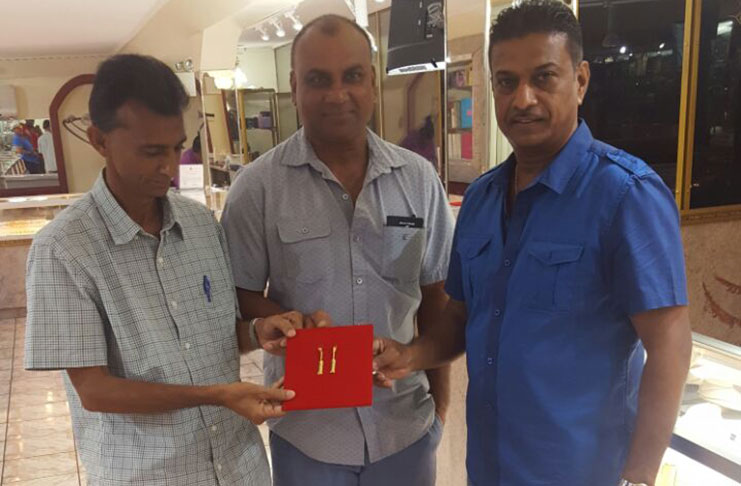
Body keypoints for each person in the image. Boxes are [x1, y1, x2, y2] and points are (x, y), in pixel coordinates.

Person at [373, 2, 692, 485]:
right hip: (491, 468)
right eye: (506, 81)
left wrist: (639, 477)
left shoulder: (625, 196)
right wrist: (412, 355)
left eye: (544, 77)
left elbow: (669, 346)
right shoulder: (480, 199)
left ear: (580, 80)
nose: (523, 98)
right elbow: (461, 317)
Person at [24, 54, 302, 486]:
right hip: (150, 475)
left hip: (239, 467)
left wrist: (256, 331)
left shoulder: (200, 225)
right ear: (99, 140)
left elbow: (209, 337)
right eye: (151, 152)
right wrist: (216, 397)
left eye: (177, 147)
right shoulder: (63, 250)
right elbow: (95, 391)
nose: (169, 167)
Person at [220, 14, 455, 486]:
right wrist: (287, 320)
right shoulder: (257, 188)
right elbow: (239, 295)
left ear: (371, 79)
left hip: (404, 430)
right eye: (317, 79)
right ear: (293, 85)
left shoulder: (418, 181)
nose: (336, 94)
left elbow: (436, 299)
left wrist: (440, 413)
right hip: (308, 435)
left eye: (351, 76)